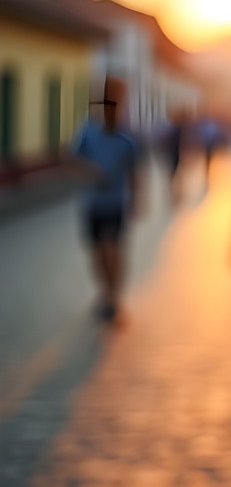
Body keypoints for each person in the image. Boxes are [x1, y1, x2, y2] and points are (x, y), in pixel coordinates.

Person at [73, 76, 140, 322]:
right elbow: (73, 161)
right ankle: (105, 292)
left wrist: (137, 198)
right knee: (98, 253)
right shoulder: (88, 130)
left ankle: (114, 298)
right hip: (92, 203)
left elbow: (134, 170)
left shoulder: (126, 136)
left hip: (114, 203)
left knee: (112, 248)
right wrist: (90, 171)